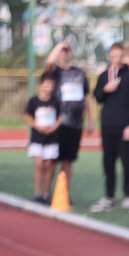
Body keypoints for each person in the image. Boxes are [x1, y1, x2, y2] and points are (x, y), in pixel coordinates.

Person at [91, 41, 129, 213]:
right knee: (108, 163)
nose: (117, 59)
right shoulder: (105, 75)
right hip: (107, 126)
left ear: (123, 56)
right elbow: (97, 96)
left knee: (127, 162)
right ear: (110, 56)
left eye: (120, 56)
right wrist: (105, 89)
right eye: (113, 56)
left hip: (124, 127)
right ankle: (109, 197)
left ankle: (128, 197)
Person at [44, 41, 95, 199]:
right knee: (54, 159)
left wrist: (91, 119)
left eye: (67, 50)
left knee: (68, 160)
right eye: (62, 51)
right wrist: (60, 45)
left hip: (76, 122)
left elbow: (86, 96)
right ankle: (47, 193)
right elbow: (49, 62)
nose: (64, 53)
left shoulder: (79, 72)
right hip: (58, 121)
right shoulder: (55, 71)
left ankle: (63, 193)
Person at [23, 73, 62, 205]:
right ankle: (36, 193)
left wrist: (54, 127)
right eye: (46, 85)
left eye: (51, 85)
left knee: (48, 165)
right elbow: (27, 116)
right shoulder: (34, 101)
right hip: (38, 137)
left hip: (52, 137)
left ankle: (46, 193)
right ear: (41, 85)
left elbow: (60, 116)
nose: (48, 88)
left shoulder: (56, 101)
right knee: (39, 165)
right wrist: (37, 126)